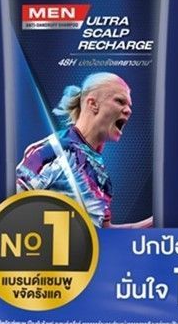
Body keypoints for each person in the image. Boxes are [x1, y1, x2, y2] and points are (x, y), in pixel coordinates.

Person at [15, 72, 152, 228]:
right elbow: (9, 212)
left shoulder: (102, 175)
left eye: (129, 105)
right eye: (120, 101)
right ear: (93, 104)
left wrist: (154, 221)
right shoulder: (53, 150)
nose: (128, 110)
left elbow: (104, 233)